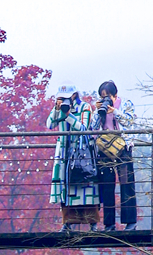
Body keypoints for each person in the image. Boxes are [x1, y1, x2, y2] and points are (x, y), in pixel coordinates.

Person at [47, 83, 100, 230]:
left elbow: (83, 128)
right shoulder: (59, 108)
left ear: (74, 95)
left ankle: (92, 222)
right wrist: (57, 109)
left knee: (86, 185)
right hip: (64, 151)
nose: (64, 100)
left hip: (82, 150)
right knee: (65, 187)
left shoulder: (84, 107)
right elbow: (49, 124)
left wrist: (68, 115)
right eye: (61, 97)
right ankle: (67, 222)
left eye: (66, 97)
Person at [93, 81, 138, 231]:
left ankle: (130, 221)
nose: (106, 100)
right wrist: (97, 111)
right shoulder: (100, 108)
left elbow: (130, 122)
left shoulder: (126, 104)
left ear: (115, 95)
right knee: (107, 185)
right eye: (102, 97)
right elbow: (93, 128)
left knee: (126, 183)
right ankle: (109, 223)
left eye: (108, 97)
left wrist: (115, 112)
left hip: (123, 148)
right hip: (105, 149)